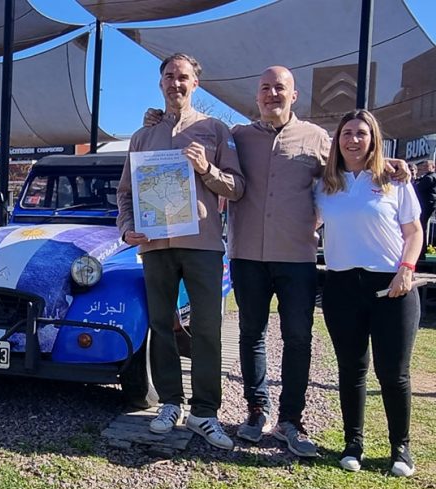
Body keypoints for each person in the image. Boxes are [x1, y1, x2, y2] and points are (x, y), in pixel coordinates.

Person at [142, 67, 413, 457]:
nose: (272, 94)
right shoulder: (236, 136)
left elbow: (353, 160)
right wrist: (156, 118)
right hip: (247, 255)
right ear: (256, 96)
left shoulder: (317, 139)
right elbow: (192, 141)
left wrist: (392, 163)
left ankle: (290, 419)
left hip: (296, 257)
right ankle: (257, 410)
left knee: (298, 338)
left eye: (280, 88)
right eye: (265, 88)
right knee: (251, 335)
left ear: (293, 95)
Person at [117, 53, 244, 448]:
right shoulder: (143, 137)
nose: (176, 83)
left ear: (195, 84)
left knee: (206, 329)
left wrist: (206, 169)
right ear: (161, 84)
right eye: (169, 76)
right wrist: (126, 228)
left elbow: (237, 188)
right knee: (160, 326)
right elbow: (125, 193)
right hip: (155, 247)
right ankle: (170, 403)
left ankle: (204, 411)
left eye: (183, 77)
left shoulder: (215, 130)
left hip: (202, 246)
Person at [315, 109, 422, 477]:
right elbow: (307, 223)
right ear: (337, 140)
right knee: (351, 369)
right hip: (342, 286)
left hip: (392, 287)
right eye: (347, 133)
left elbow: (414, 232)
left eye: (361, 133)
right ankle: (353, 443)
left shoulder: (394, 180)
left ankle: (400, 448)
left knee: (393, 373)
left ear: (374, 139)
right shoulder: (325, 185)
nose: (353, 139)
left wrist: (406, 269)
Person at [412, 159, 436, 260]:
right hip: (427, 204)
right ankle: (421, 251)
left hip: (426, 205)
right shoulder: (428, 177)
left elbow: (417, 188)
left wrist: (414, 183)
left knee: (420, 227)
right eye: (423, 166)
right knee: (421, 227)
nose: (424, 168)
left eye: (426, 166)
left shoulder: (430, 178)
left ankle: (421, 252)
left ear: (433, 167)